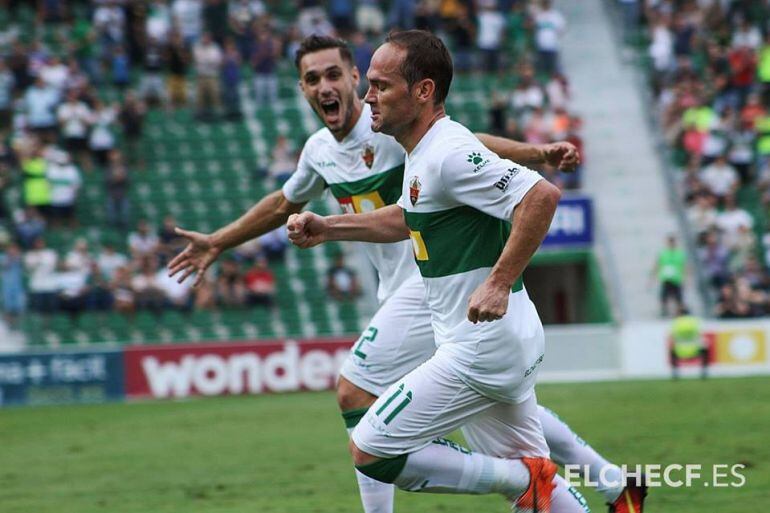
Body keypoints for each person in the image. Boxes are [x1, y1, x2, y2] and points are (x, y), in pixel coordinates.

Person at [168, 34, 643, 513]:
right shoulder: (342, 149)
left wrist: (534, 160)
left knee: (361, 406)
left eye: (343, 76)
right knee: (515, 452)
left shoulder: (419, 140)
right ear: (302, 87)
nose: (333, 88)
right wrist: (305, 229)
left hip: (443, 299)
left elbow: (486, 162)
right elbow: (394, 213)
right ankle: (612, 486)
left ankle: (533, 481)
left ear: (353, 79)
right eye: (312, 79)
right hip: (454, 311)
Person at [653, 235, 687, 317]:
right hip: (666, 278)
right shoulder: (663, 253)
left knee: (678, 298)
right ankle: (665, 312)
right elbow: (658, 264)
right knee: (664, 296)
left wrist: (685, 278)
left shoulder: (680, 253)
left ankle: (680, 314)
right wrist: (655, 275)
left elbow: (684, 266)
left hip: (676, 279)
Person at [669, 306, 708, 379]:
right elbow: (701, 335)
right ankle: (704, 372)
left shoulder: (676, 322)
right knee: (705, 349)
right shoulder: (694, 321)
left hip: (680, 351)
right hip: (694, 350)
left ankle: (675, 373)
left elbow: (672, 338)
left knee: (671, 350)